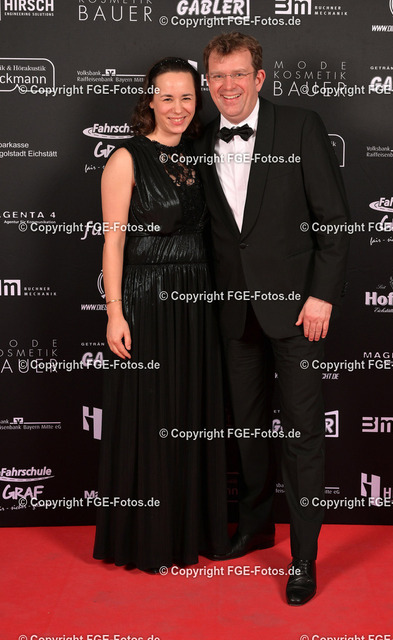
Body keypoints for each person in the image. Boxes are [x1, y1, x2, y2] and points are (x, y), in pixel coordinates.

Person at [195, 33, 350, 605]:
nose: (228, 86)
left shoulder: (301, 126)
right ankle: (255, 528)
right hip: (235, 312)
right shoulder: (201, 139)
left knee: (303, 437)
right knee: (248, 431)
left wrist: (322, 296)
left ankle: (303, 557)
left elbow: (334, 222)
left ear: (259, 78)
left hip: (299, 311)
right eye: (217, 76)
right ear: (207, 82)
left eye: (238, 74)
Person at [93, 57, 229, 572]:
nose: (177, 107)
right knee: (151, 413)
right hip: (148, 299)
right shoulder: (125, 158)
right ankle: (147, 538)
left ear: (198, 102)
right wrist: (115, 312)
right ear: (149, 100)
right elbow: (113, 242)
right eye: (167, 97)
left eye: (187, 97)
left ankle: (191, 531)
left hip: (198, 299)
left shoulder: (202, 156)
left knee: (191, 411)